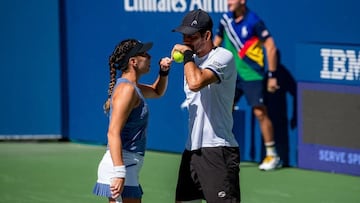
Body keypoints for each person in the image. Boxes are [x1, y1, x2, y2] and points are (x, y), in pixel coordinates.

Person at [172, 9, 241, 203]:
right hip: (192, 150)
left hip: (218, 150)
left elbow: (196, 82)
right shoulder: (191, 62)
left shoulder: (223, 57)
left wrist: (186, 56)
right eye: (184, 36)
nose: (186, 41)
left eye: (191, 36)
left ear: (207, 35)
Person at [92, 39, 171, 203]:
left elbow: (157, 92)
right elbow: (113, 133)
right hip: (121, 165)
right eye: (144, 53)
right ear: (133, 61)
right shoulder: (126, 90)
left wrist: (163, 72)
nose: (149, 57)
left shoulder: (133, 88)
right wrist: (120, 173)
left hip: (128, 164)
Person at [213, 0, 282, 171]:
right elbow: (215, 44)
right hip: (231, 75)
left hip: (252, 74)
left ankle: (273, 155)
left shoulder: (254, 21)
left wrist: (272, 76)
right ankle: (219, 154)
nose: (228, 2)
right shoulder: (225, 20)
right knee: (223, 111)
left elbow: (271, 46)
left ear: (242, 1)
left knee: (260, 112)